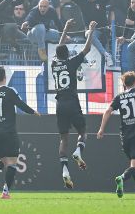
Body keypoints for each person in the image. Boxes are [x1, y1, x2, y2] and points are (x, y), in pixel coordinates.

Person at [0, 66, 40, 199]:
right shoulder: (10, 91)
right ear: (5, 76)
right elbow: (20, 104)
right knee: (12, 163)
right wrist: (33, 112)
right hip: (9, 132)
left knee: (4, 162)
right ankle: (5, 192)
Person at [97, 71, 135, 199]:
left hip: (125, 136)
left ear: (124, 83)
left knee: (133, 166)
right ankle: (121, 178)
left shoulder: (119, 96)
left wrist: (101, 129)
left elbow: (108, 111)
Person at [51, 20, 96, 188]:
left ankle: (65, 171)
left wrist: (65, 29)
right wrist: (91, 31)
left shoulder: (54, 64)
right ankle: (78, 152)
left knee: (63, 139)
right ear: (68, 53)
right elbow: (87, 49)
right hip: (72, 101)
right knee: (83, 133)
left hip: (59, 104)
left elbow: (59, 46)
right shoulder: (71, 62)